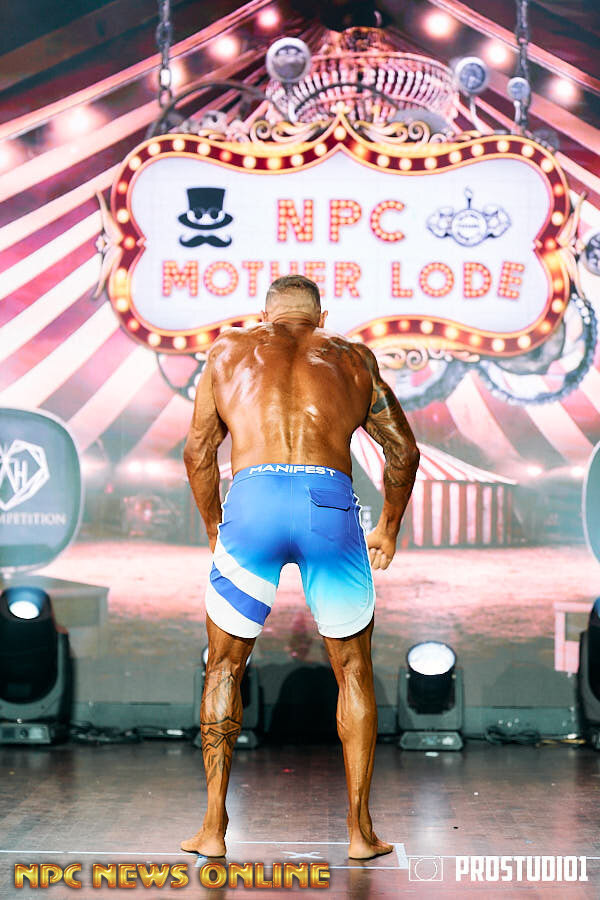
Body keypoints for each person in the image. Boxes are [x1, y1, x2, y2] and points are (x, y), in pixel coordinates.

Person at [181, 274, 420, 860]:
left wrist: (215, 526)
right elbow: (404, 451)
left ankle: (212, 828)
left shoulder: (228, 352)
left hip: (253, 503)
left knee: (224, 667)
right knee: (354, 671)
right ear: (322, 317)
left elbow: (198, 451)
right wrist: (388, 527)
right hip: (326, 505)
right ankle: (360, 833)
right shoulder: (353, 358)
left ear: (265, 315)